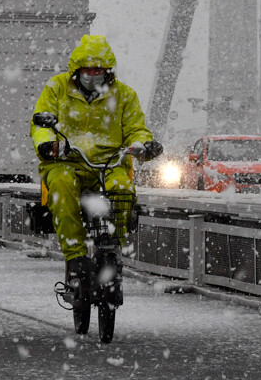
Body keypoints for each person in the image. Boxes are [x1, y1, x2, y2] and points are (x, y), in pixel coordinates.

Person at [30, 35, 162, 303]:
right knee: (62, 189)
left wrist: (143, 145)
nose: (93, 75)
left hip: (109, 163)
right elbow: (41, 126)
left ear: (108, 71)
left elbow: (136, 128)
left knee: (123, 190)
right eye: (88, 70)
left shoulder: (124, 96)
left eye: (98, 70)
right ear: (76, 71)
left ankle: (113, 248)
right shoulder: (56, 88)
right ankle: (75, 258)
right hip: (67, 162)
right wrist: (49, 146)